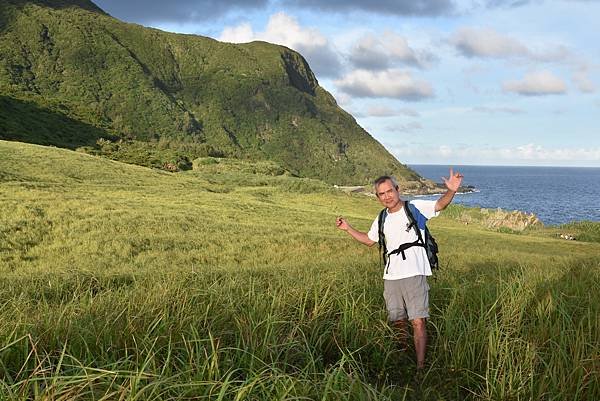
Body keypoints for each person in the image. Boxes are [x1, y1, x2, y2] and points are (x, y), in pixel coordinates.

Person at [335, 168, 463, 369]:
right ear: (378, 197)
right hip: (391, 275)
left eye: (389, 191)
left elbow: (439, 205)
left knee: (418, 320)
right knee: (398, 320)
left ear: (397, 189)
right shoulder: (381, 218)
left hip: (414, 272)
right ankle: (402, 356)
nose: (387, 196)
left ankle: (420, 367)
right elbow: (370, 240)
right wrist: (348, 229)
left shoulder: (414, 208)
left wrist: (452, 191)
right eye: (381, 194)